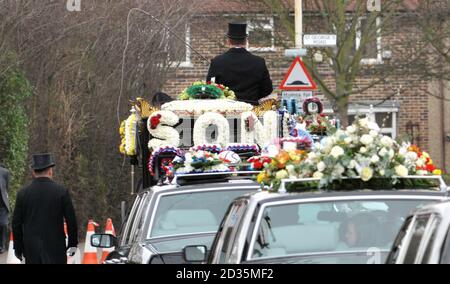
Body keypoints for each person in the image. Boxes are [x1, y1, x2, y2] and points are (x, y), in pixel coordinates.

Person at [12, 153, 78, 264]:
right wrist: (72, 244)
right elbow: (71, 221)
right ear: (50, 171)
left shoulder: (22, 194)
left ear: (33, 172)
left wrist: (18, 248)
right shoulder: (61, 192)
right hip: (56, 248)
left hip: (32, 249)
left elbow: (16, 224)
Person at [206, 22, 273, 105]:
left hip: (226, 110)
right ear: (245, 41)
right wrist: (253, 97)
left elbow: (210, 88)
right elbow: (267, 89)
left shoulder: (217, 62)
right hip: (251, 110)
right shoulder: (259, 62)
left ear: (228, 41)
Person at [0, 162, 10, 254]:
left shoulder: (4, 172)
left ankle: (1, 246)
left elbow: (7, 189)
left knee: (3, 224)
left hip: (2, 205)